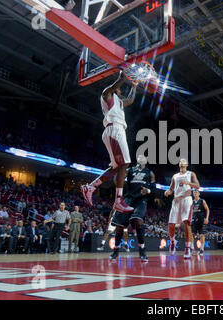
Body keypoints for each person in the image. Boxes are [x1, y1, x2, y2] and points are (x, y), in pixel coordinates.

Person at [81, 72, 139, 213]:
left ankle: (91, 187)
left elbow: (130, 100)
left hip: (117, 130)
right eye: (119, 88)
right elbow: (119, 81)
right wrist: (124, 74)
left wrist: (135, 86)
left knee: (116, 167)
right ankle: (118, 200)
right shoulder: (106, 94)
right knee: (124, 163)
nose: (120, 90)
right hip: (114, 129)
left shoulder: (119, 102)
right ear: (116, 89)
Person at [108, 155, 156, 262]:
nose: (141, 157)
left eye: (143, 157)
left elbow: (154, 187)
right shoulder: (129, 170)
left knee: (138, 221)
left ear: (146, 161)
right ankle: (115, 251)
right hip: (128, 199)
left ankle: (142, 251)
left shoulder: (150, 173)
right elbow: (117, 182)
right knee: (120, 226)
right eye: (139, 156)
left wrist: (148, 191)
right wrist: (118, 171)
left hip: (141, 200)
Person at [164, 158, 200, 259]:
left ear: (187, 164)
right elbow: (171, 188)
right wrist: (168, 192)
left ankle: (187, 248)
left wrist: (188, 183)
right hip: (176, 200)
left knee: (186, 223)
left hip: (187, 199)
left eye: (183, 161)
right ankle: (172, 242)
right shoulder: (174, 176)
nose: (181, 162)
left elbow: (198, 186)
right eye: (180, 161)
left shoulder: (191, 174)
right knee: (171, 224)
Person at [190, 190, 210, 255]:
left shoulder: (202, 201)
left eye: (196, 192)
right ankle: (192, 248)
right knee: (192, 234)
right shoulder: (191, 202)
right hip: (194, 220)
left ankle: (202, 249)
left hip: (201, 220)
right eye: (194, 192)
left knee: (202, 235)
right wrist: (189, 219)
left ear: (199, 194)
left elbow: (207, 209)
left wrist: (207, 218)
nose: (195, 193)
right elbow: (190, 212)